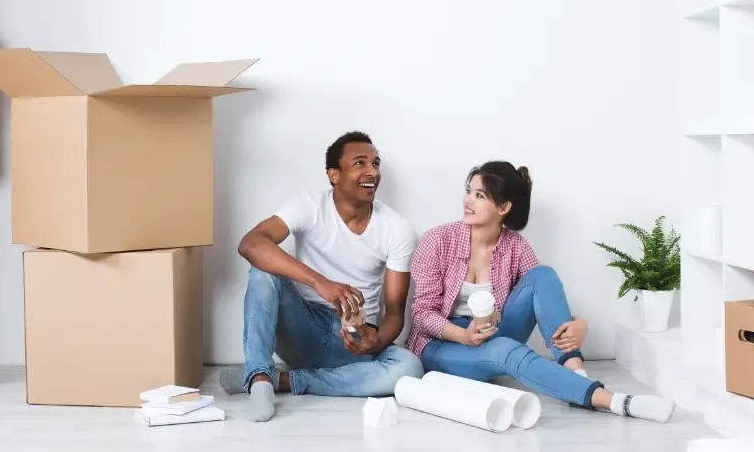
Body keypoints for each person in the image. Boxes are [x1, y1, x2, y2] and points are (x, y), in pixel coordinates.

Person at [405, 161, 676, 423]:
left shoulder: (516, 246)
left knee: (543, 276)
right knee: (506, 350)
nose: (468, 200)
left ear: (503, 207)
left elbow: (544, 299)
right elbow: (422, 314)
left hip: (491, 331)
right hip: (443, 344)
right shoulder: (438, 240)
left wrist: (578, 323)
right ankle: (614, 401)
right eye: (468, 191)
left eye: (479, 195)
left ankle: (576, 374)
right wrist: (464, 335)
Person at [220, 131, 424, 422]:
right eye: (360, 163)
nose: (372, 172)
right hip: (302, 328)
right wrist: (320, 283)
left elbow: (394, 313)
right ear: (334, 175)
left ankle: (285, 382)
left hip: (352, 341)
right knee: (263, 268)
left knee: (409, 367)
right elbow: (251, 243)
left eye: (375, 164)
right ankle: (260, 378)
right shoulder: (308, 207)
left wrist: (375, 343)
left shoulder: (397, 228)